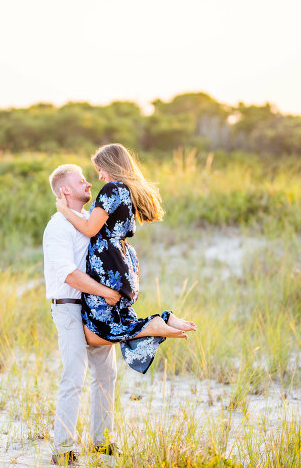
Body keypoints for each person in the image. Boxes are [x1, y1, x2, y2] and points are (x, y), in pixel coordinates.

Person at [56, 144, 196, 374]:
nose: (99, 176)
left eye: (100, 169)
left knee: (98, 330)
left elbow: (91, 229)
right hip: (120, 261)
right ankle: (163, 319)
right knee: (111, 323)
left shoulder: (112, 189)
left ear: (111, 165)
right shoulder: (126, 191)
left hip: (108, 264)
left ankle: (156, 324)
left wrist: (64, 209)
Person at [43, 163, 122, 466]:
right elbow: (70, 276)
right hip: (69, 306)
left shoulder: (88, 220)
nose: (89, 184)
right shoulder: (57, 227)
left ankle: (103, 442)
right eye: (81, 181)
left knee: (106, 373)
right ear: (65, 190)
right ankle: (63, 449)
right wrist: (106, 292)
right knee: (74, 374)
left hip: (97, 308)